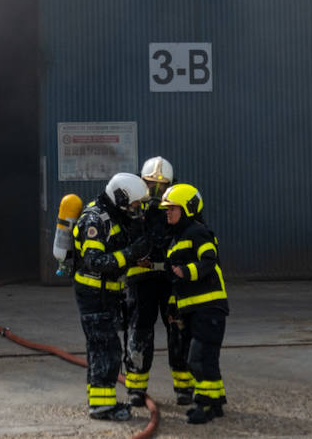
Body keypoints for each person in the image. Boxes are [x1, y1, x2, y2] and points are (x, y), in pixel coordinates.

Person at [72, 171, 151, 421]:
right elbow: (94, 261)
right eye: (135, 204)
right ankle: (102, 407)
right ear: (120, 198)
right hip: (94, 293)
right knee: (106, 348)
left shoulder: (115, 216)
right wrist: (130, 254)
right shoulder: (95, 219)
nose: (136, 209)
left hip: (108, 294)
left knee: (101, 348)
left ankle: (100, 402)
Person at [123, 156, 191, 407]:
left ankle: (184, 386)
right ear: (142, 182)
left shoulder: (179, 208)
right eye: (151, 185)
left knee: (179, 327)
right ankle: (136, 389)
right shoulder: (132, 208)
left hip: (171, 278)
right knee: (139, 331)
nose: (157, 192)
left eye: (162, 186)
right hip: (141, 279)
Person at [160, 182, 228, 425]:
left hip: (208, 307)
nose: (167, 212)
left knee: (198, 359)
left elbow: (209, 259)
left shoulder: (197, 232)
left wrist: (187, 272)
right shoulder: (176, 238)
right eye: (166, 209)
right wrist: (171, 305)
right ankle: (216, 401)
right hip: (193, 308)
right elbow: (174, 280)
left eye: (172, 208)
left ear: (188, 209)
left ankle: (204, 405)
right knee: (205, 357)